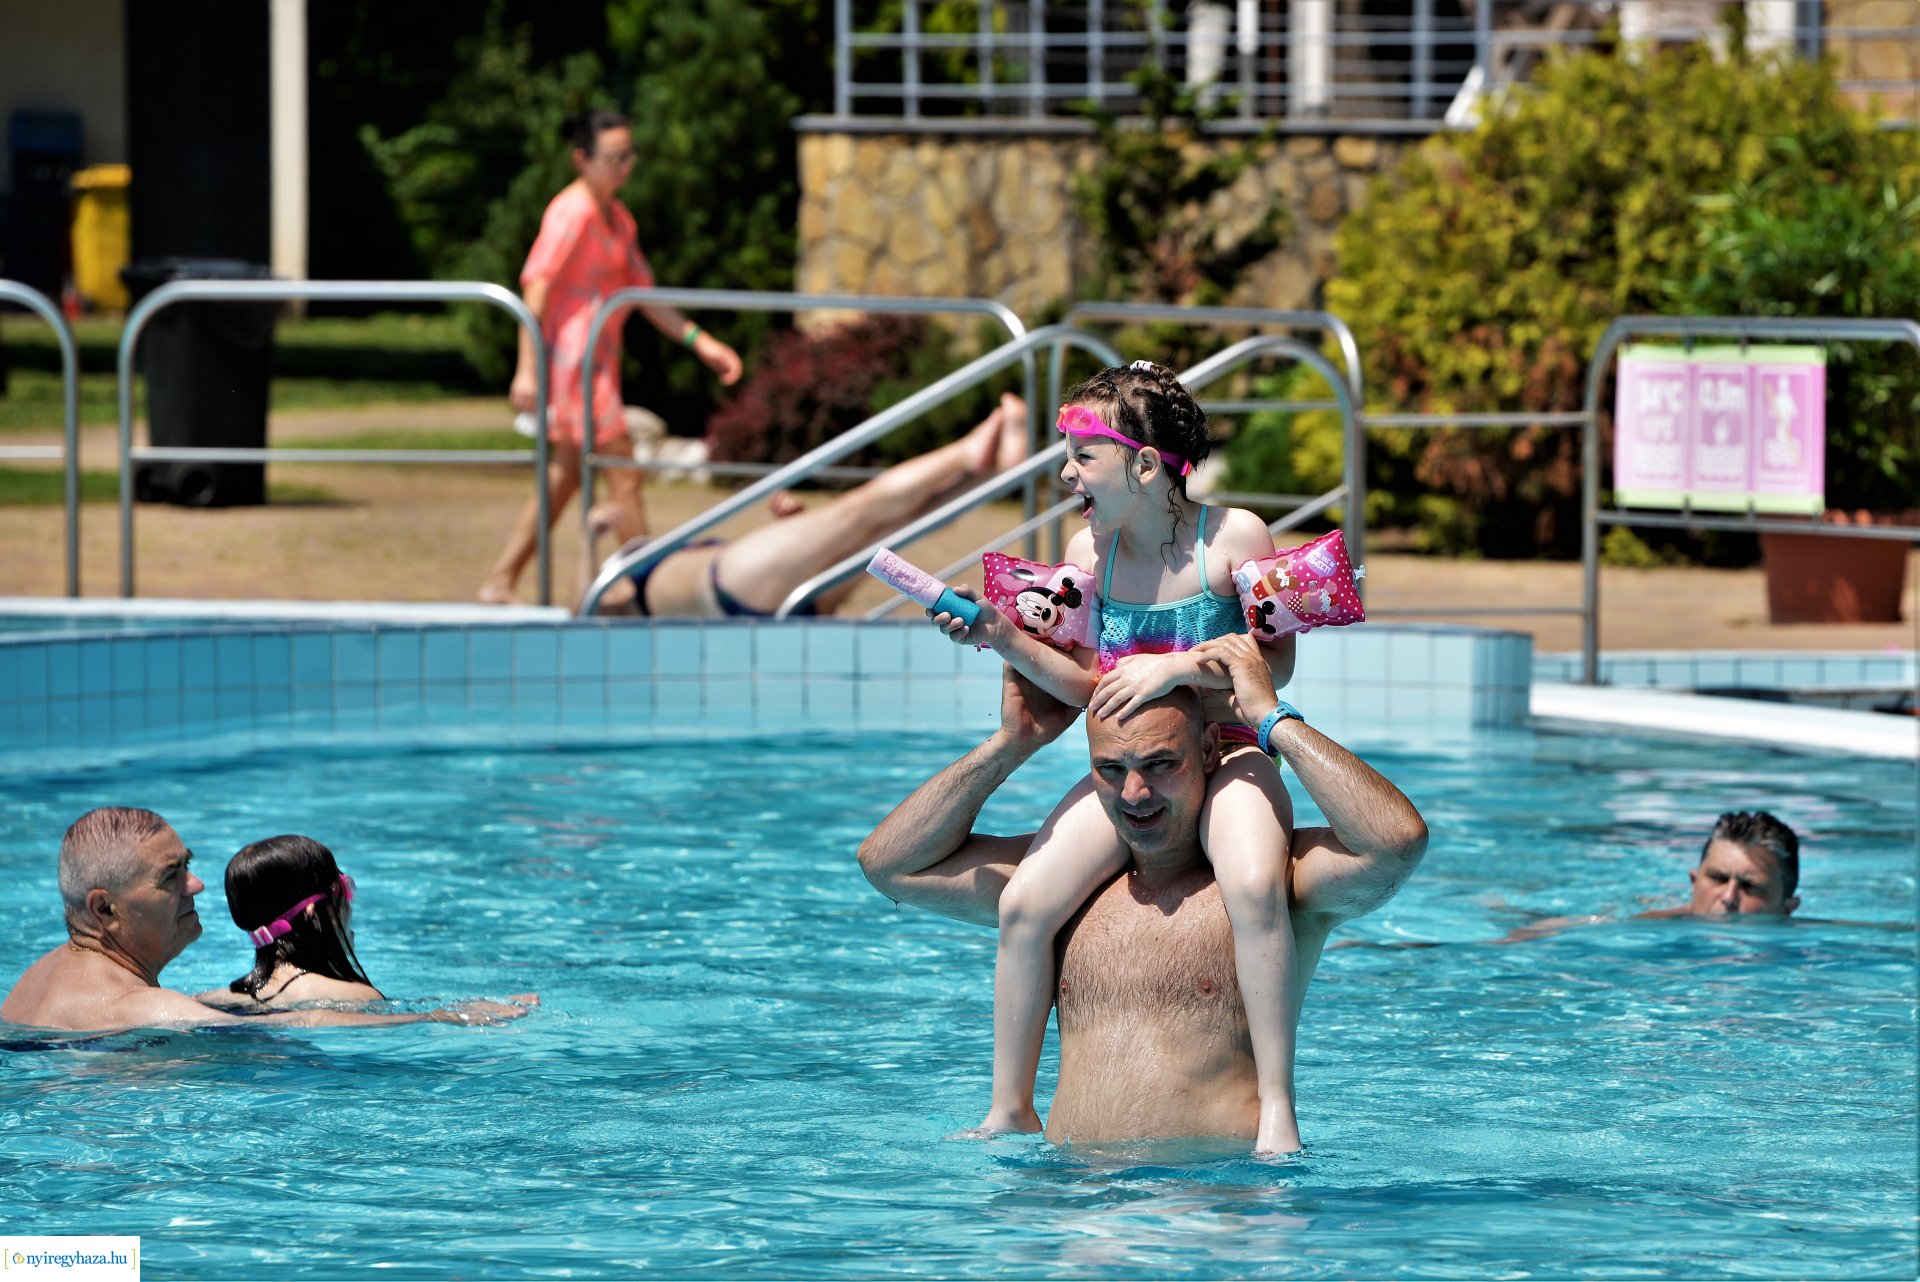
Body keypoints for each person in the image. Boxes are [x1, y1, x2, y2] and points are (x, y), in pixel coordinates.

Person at [930, 363, 1302, 1152]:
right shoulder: (1086, 550)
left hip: (1228, 750)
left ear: (1142, 464)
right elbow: (1086, 685)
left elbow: (1277, 671)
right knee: (1026, 907)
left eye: (1081, 457)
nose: (1066, 474)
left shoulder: (1233, 537)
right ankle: (1009, 1107)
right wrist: (1003, 638)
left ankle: (1275, 1107)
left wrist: (1178, 668)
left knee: (1257, 888)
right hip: (1136, 767)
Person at [857, 636, 1427, 1148]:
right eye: (1110, 769)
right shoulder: (1062, 893)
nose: (1135, 793)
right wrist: (1011, 743)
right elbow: (891, 866)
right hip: (1074, 1213)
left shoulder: (1279, 885)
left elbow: (1394, 845)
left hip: (1220, 1210)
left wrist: (1272, 719)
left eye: (1160, 764)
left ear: (1207, 754)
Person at [479, 108, 745, 606]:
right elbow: (535, 286)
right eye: (614, 157)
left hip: (598, 365)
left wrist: (701, 342)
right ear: (582, 159)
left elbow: (643, 291)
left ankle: (502, 580)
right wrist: (527, 367)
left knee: (562, 479)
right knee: (623, 471)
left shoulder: (618, 219)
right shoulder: (571, 212)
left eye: (630, 156)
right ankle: (647, 584)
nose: (625, 166)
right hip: (571, 369)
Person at [1, 808, 530, 1032]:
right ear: (104, 909)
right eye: (171, 877)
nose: (197, 885)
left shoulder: (35, 982)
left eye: (189, 865)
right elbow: (289, 1031)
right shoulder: (151, 1010)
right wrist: (446, 1019)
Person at [601, 393, 1028, 618]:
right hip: (728, 588)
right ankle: (967, 454)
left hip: (765, 593)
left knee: (891, 527)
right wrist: (588, 540)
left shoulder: (645, 557)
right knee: (858, 512)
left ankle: (986, 475)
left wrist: (791, 528)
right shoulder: (615, 580)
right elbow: (582, 616)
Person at [195, 835, 384, 1011]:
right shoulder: (358, 997)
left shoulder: (209, 1001)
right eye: (342, 888)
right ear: (313, 914)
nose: (349, 903)